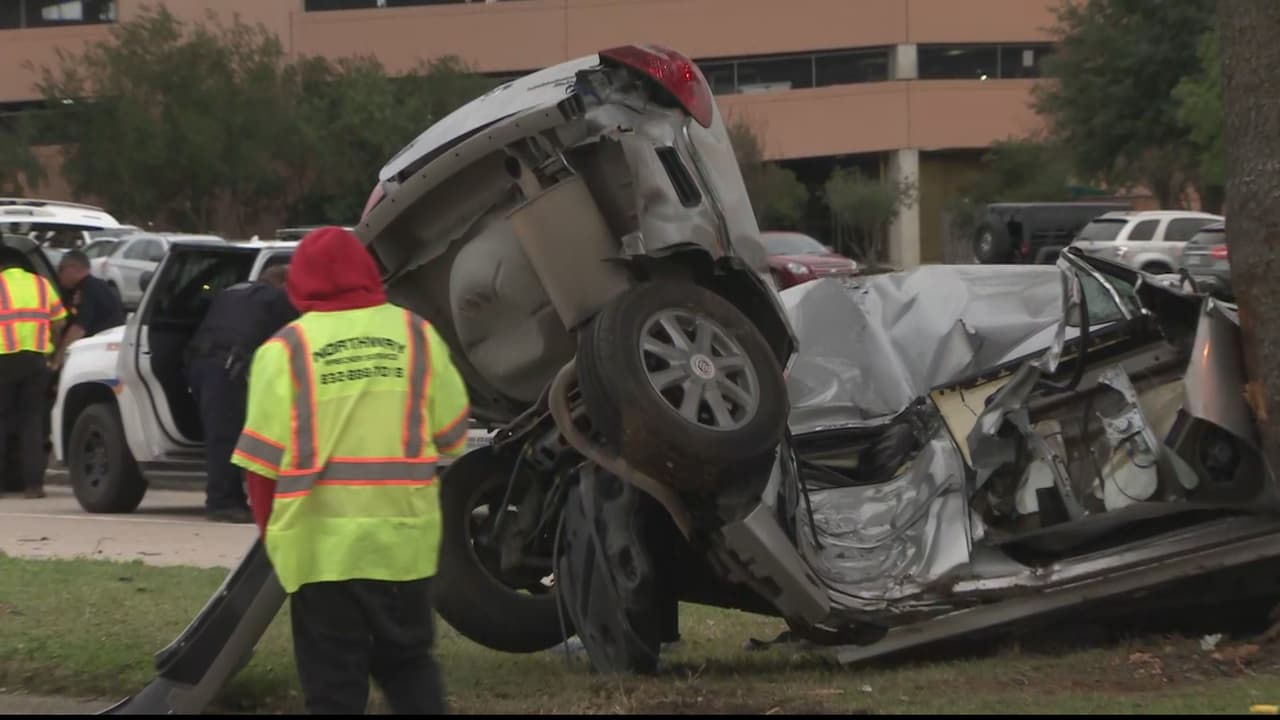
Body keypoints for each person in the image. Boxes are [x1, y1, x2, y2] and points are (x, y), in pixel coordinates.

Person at [231, 227, 470, 715]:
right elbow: (452, 436)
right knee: (409, 668)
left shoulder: (284, 351)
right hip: (402, 546)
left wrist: (276, 539)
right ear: (367, 272)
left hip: (320, 555)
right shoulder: (415, 335)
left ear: (298, 285)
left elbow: (261, 470)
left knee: (335, 688)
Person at [185, 264, 298, 523]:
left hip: (201, 364)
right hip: (228, 367)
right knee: (225, 436)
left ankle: (230, 498)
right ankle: (222, 502)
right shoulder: (276, 298)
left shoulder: (230, 293)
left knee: (219, 434)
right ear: (282, 284)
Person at [0, 247, 68, 498]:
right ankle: (34, 486)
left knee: (2, 421)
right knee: (32, 423)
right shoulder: (42, 285)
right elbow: (60, 321)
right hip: (36, 360)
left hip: (3, 360)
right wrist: (53, 349)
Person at [53, 250, 126, 369]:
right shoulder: (96, 286)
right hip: (104, 351)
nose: (58, 275)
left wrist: (57, 360)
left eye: (61, 270)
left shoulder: (88, 289)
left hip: (98, 353)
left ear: (73, 268)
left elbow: (78, 329)